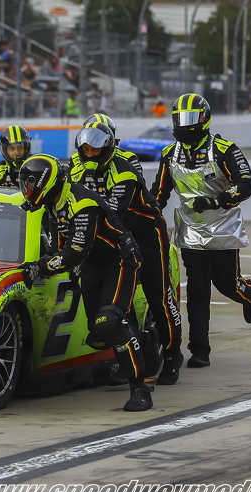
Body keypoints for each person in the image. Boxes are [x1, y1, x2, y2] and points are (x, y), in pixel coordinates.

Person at [18, 153, 153, 412]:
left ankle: (140, 389)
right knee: (99, 334)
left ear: (46, 182)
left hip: (119, 260)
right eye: (25, 184)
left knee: (110, 322)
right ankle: (144, 342)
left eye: (31, 184)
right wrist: (45, 261)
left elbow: (74, 253)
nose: (28, 190)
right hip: (92, 265)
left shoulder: (81, 203)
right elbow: (61, 246)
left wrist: (41, 267)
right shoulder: (53, 202)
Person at [152, 93, 251, 370]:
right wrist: (144, 215)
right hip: (190, 233)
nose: (184, 125)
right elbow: (158, 195)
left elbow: (246, 184)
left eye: (190, 119)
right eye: (179, 119)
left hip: (223, 229)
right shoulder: (168, 154)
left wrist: (217, 200)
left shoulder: (225, 149)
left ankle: (249, 293)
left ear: (204, 119)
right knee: (198, 291)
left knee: (227, 285)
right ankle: (199, 351)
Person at [71, 118, 183, 384]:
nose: (91, 154)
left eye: (96, 149)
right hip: (112, 238)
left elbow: (112, 214)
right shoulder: (74, 169)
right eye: (86, 149)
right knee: (118, 305)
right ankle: (139, 348)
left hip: (146, 235)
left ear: (109, 144)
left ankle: (172, 355)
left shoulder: (125, 167)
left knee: (159, 298)